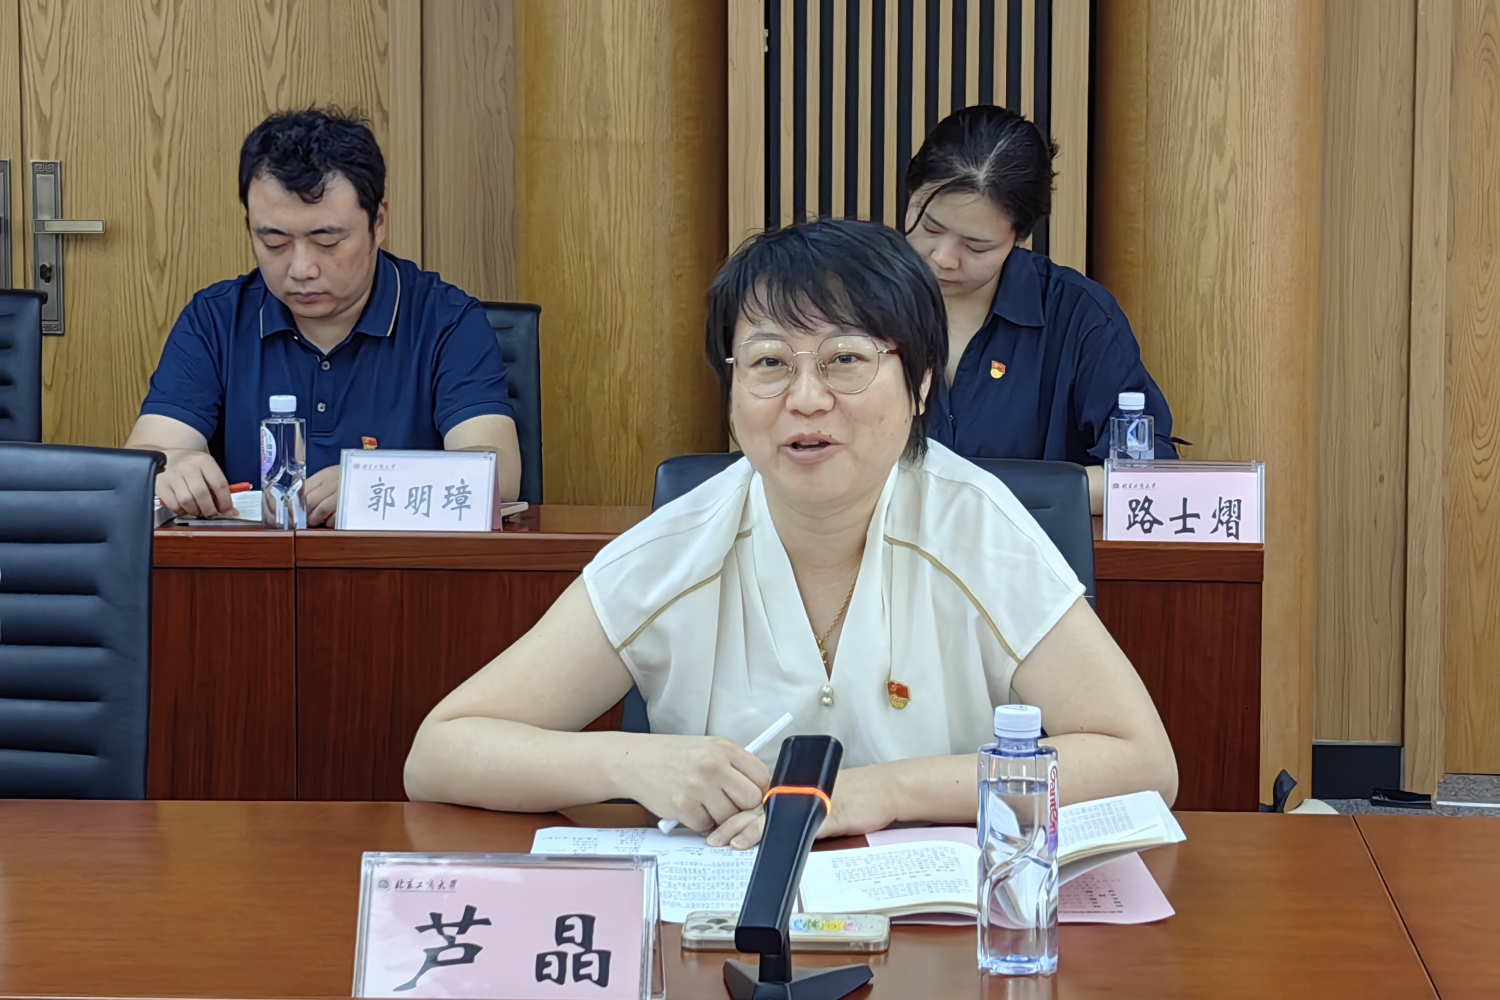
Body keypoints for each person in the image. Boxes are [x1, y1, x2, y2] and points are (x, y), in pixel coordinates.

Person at [405, 219, 1176, 849]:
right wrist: (634, 764)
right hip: (726, 935)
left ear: (920, 386)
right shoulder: (678, 548)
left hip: (941, 937)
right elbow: (440, 752)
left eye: (846, 359)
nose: (806, 398)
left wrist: (881, 793)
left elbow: (1140, 761)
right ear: (733, 391)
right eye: (770, 362)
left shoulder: (977, 527)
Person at [127, 108, 521, 524]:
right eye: (275, 242)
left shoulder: (446, 321)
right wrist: (172, 466)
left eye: (327, 241)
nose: (302, 269)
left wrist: (373, 483)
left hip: (399, 562)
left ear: (378, 222)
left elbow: (500, 474)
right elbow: (145, 457)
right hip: (254, 561)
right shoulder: (216, 319)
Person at [903, 105, 1177, 512]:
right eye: (930, 227)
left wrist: (983, 495)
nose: (944, 257)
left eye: (976, 246)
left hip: (1034, 548)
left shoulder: (1078, 316)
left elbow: (1144, 478)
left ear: (1020, 235)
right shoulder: (854, 302)